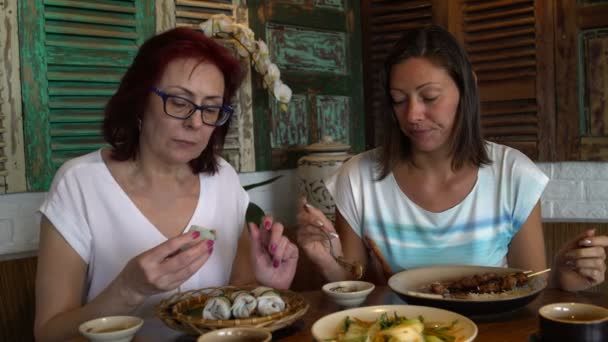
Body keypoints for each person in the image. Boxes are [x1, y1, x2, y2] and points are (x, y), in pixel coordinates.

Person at [34, 27, 298, 341]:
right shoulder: (79, 184)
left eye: (210, 108)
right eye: (178, 101)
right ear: (139, 100)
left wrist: (264, 286)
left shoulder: (223, 180)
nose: (196, 122)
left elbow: (235, 301)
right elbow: (49, 333)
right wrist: (128, 289)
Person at [297, 25, 606, 292]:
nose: (413, 115)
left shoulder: (514, 175)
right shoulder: (358, 178)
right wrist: (326, 261)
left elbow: (528, 288)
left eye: (429, 97)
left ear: (466, 87)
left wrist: (559, 278)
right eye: (399, 100)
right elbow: (354, 290)